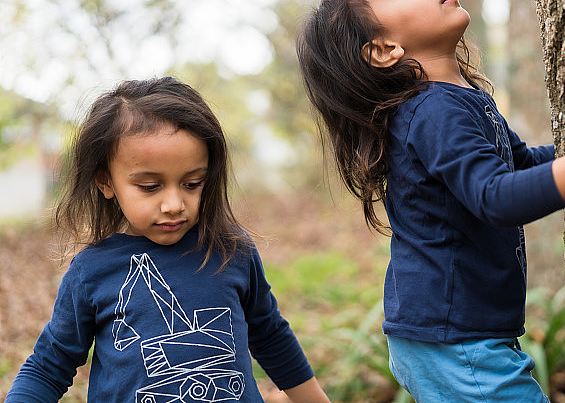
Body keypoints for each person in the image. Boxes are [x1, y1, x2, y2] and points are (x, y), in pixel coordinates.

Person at [296, 0, 565, 402]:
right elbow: (496, 198)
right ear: (384, 49)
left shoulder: (460, 99)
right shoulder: (433, 111)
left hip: (457, 334)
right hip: (453, 339)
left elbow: (519, 165)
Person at [6, 77, 330, 403]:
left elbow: (270, 335)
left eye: (192, 183)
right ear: (106, 182)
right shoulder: (92, 271)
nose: (174, 204)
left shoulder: (232, 251)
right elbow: (50, 363)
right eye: (149, 186)